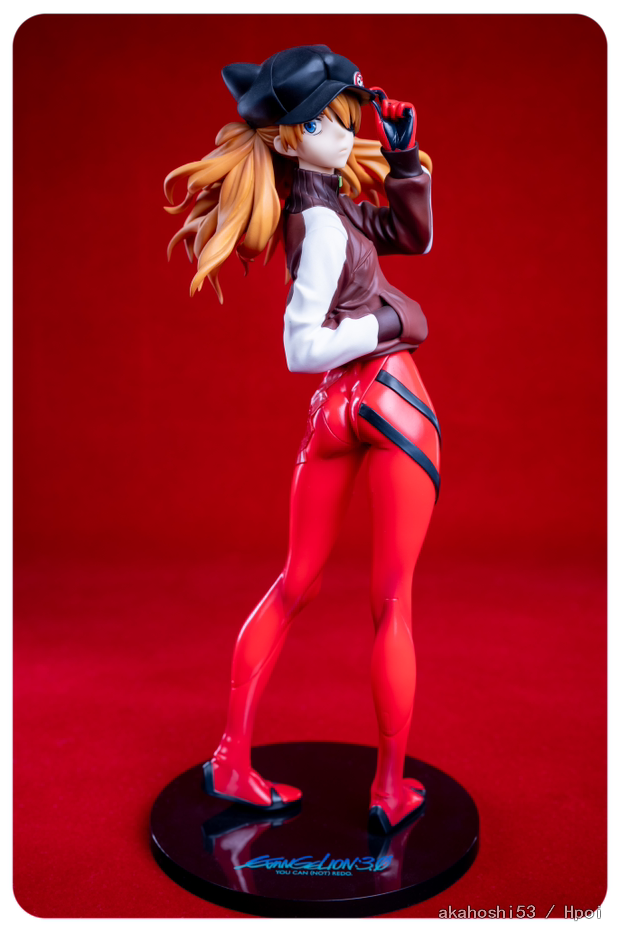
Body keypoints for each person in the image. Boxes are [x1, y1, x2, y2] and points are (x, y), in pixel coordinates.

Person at [164, 45, 440, 834]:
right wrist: (387, 323)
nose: (343, 131)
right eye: (324, 122)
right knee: (393, 602)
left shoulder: (327, 204)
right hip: (386, 395)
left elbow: (409, 235)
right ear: (288, 137)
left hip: (335, 412)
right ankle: (389, 790)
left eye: (345, 117)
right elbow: (300, 347)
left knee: (295, 585)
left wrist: (403, 157)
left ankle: (231, 760)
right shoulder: (319, 222)